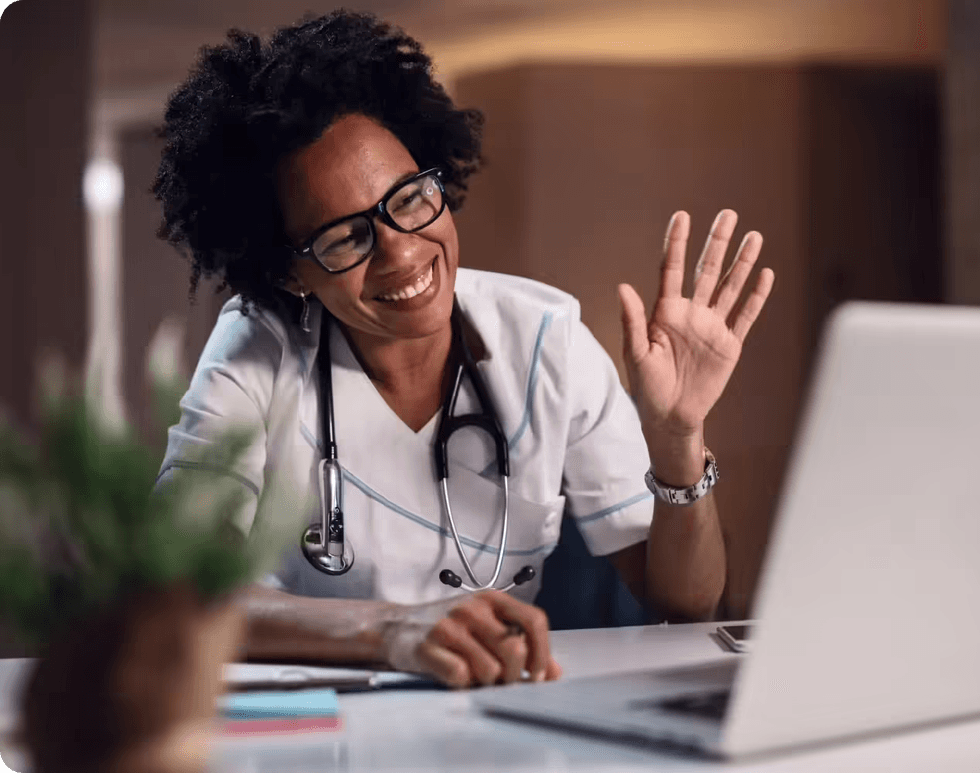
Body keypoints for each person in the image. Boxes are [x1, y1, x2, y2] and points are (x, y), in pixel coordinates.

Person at [153, 9, 774, 689]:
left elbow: (686, 605)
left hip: (501, 717)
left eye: (410, 198)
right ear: (286, 272)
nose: (401, 251)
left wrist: (679, 441)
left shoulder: (546, 338)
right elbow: (174, 598)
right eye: (343, 237)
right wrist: (392, 631)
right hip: (322, 728)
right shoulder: (256, 349)